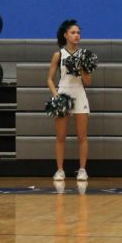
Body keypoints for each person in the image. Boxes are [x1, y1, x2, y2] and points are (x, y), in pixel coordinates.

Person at [47, 19, 92, 182]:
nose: (76, 35)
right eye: (73, 32)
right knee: (60, 136)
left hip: (79, 93)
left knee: (83, 137)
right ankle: (59, 170)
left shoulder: (85, 55)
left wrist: (82, 69)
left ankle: (82, 170)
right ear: (65, 35)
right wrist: (55, 94)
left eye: (78, 32)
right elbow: (49, 79)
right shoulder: (58, 54)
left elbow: (88, 82)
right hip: (63, 93)